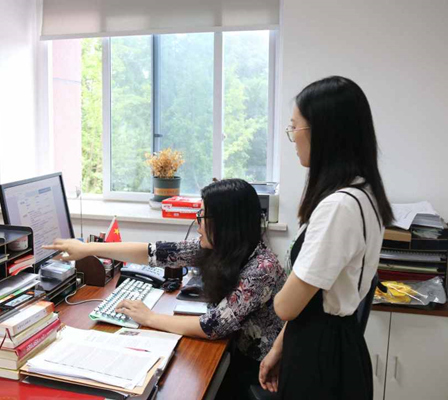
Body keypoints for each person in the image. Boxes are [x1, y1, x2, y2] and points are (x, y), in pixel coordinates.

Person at [44, 179, 286, 396]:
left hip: (260, 372)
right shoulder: (225, 248)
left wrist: (149, 317)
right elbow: (153, 252)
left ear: (226, 224)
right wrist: (87, 249)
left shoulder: (261, 269)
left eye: (202, 217)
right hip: (238, 353)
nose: (198, 225)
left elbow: (211, 327)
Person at [258, 76, 394, 399]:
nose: (292, 137)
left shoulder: (339, 208)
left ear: (323, 133)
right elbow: (313, 294)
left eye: (295, 127)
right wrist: (279, 347)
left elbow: (287, 306)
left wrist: (277, 298)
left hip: (320, 360)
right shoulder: (363, 193)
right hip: (330, 344)